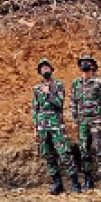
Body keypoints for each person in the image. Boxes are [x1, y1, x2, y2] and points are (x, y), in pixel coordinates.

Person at [31, 58, 83, 194]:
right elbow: (35, 109)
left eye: (47, 68)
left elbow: (59, 103)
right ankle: (57, 183)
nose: (45, 70)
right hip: (42, 127)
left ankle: (75, 183)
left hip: (56, 126)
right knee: (48, 155)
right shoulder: (36, 88)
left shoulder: (58, 85)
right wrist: (35, 129)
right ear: (39, 72)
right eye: (42, 69)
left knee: (64, 154)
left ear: (51, 70)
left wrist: (48, 93)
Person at [70, 54, 101, 194]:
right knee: (84, 151)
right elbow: (73, 102)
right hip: (82, 122)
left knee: (100, 149)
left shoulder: (99, 83)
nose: (85, 65)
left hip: (96, 120)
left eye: (87, 63)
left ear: (92, 66)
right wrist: (74, 120)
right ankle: (88, 180)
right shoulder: (76, 83)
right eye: (82, 63)